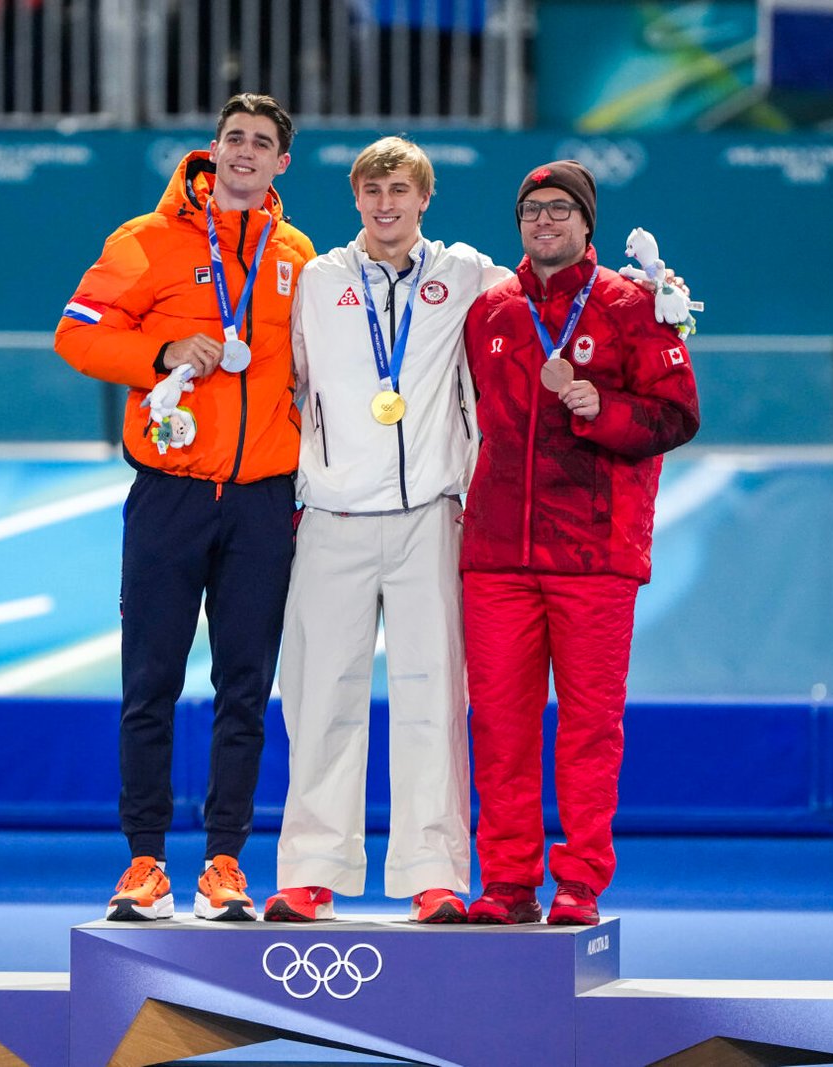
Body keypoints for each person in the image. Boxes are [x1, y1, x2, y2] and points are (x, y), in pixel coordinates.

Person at [54, 93, 315, 923]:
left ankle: (226, 863)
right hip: (169, 496)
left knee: (246, 687)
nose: (245, 151)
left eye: (262, 143)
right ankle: (143, 862)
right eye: (234, 137)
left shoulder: (300, 256)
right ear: (211, 150)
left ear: (282, 163)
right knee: (152, 681)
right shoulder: (146, 240)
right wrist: (160, 350)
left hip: (264, 503)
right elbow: (76, 333)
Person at [267, 136, 510, 924]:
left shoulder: (468, 274)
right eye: (372, 191)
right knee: (318, 696)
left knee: (434, 696)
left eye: (399, 190)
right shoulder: (316, 279)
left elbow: (549, 300)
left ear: (425, 197)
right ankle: (309, 871)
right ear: (355, 197)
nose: (385, 204)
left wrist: (651, 300)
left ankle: (433, 874)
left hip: (431, 517)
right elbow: (289, 377)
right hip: (333, 517)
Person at [460, 160, 700, 926]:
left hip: (593, 553)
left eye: (560, 209)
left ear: (588, 222)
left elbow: (677, 416)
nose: (544, 222)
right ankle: (505, 880)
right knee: (499, 726)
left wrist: (603, 409)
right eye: (532, 210)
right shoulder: (492, 310)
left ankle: (580, 881)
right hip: (499, 553)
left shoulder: (634, 308)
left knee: (590, 727)